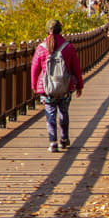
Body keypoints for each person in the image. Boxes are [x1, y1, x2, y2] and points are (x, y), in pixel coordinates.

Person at [31, 19, 84, 152]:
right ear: (60, 30)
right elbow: (76, 68)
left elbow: (35, 68)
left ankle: (52, 141)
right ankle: (64, 139)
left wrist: (34, 85)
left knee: (50, 113)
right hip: (65, 86)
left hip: (47, 87)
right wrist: (79, 85)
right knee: (63, 112)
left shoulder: (41, 48)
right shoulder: (68, 47)